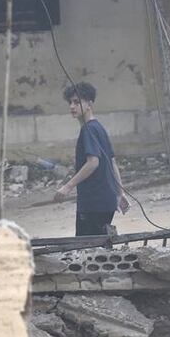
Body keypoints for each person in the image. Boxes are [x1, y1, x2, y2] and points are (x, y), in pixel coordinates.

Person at [55, 82, 130, 236]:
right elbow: (112, 163)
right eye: (70, 102)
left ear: (89, 104)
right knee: (102, 247)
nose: (72, 106)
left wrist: (68, 186)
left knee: (87, 249)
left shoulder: (88, 130)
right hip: (106, 201)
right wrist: (120, 193)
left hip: (93, 203)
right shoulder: (99, 128)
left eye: (77, 102)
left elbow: (93, 162)